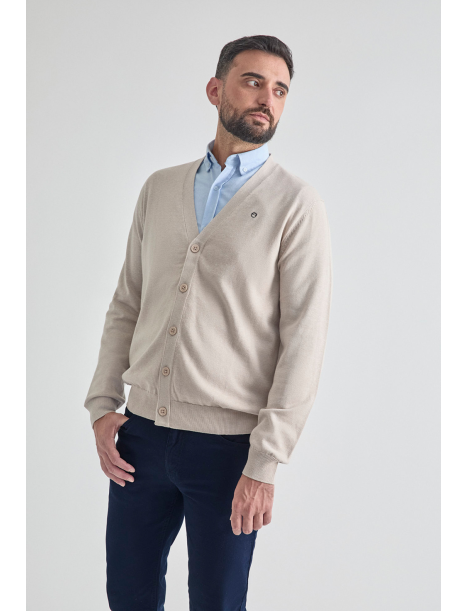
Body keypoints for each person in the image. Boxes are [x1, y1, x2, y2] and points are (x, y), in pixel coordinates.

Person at [84, 34, 333, 611]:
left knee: (217, 603)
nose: (267, 99)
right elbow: (127, 302)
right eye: (253, 82)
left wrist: (264, 463)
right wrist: (101, 404)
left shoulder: (296, 205)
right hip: (140, 438)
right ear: (215, 90)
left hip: (228, 453)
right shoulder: (160, 188)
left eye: (280, 90)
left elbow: (303, 341)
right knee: (127, 596)